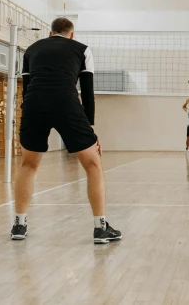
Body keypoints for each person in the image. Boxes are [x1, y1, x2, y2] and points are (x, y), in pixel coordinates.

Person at [12, 17, 120, 244]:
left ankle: (19, 225)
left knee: (28, 164)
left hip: (33, 104)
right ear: (72, 34)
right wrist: (90, 127)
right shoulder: (82, 50)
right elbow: (87, 91)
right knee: (92, 164)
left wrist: (28, 112)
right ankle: (100, 228)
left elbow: (27, 89)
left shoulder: (31, 50)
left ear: (50, 34)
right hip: (66, 103)